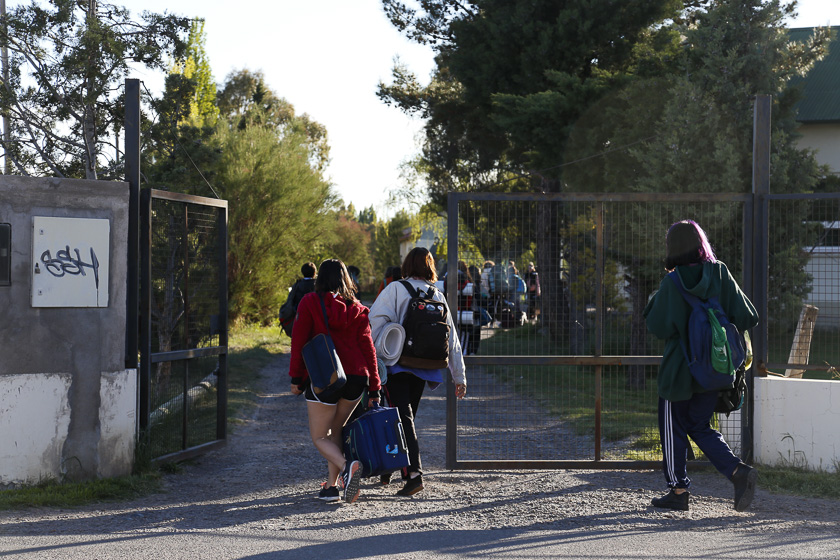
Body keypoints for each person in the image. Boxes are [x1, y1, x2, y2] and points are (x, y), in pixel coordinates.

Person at [643, 220, 760, 512]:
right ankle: (737, 471)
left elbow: (657, 326)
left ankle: (678, 490)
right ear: (700, 243)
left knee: (673, 428)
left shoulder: (672, 282)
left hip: (679, 373)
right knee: (697, 424)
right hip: (715, 372)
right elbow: (748, 316)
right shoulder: (719, 272)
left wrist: (658, 302)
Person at [369, 247, 467, 496]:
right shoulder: (437, 294)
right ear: (429, 267)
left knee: (401, 419)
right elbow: (452, 337)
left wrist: (376, 357)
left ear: (407, 265)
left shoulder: (395, 289)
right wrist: (459, 375)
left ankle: (414, 474)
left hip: (398, 364)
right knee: (404, 418)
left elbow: (375, 322)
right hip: (426, 367)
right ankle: (391, 468)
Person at [288, 259, 381, 504]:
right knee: (336, 430)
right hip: (356, 378)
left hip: (325, 376)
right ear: (345, 279)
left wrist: (296, 378)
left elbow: (298, 342)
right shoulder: (358, 308)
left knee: (319, 437)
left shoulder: (310, 302)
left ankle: (347, 467)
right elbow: (368, 349)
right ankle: (331, 487)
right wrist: (374, 387)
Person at [278, 262, 317, 337]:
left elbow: (290, 301)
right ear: (315, 273)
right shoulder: (318, 285)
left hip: (298, 317)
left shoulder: (297, 285)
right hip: (314, 319)